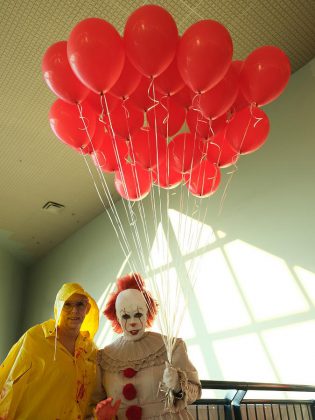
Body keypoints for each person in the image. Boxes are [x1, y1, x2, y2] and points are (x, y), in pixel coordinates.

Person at [94, 273, 201, 420]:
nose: (132, 322)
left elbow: (196, 392)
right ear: (117, 318)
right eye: (125, 316)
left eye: (138, 314)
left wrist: (178, 385)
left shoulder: (171, 347)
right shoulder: (104, 357)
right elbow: (97, 402)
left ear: (147, 313)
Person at [0, 282, 99, 419]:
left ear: (87, 308)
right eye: (67, 304)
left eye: (80, 304)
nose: (74, 310)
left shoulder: (92, 351)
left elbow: (91, 400)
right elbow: (11, 382)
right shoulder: (35, 337)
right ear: (58, 307)